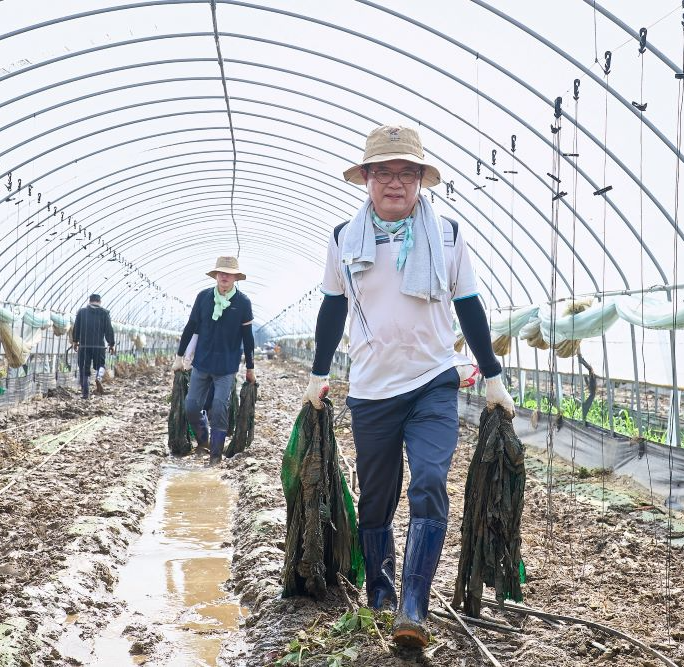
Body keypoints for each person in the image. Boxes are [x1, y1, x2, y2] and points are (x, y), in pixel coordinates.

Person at [304, 125, 515, 649]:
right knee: (376, 501)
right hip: (371, 391)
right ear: (366, 180)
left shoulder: (447, 235)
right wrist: (317, 373)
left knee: (428, 483)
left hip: (432, 384)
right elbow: (332, 307)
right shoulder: (343, 239)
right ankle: (380, 591)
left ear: (421, 180)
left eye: (406, 173)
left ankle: (413, 606)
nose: (394, 182)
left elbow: (468, 305)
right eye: (383, 172)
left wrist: (494, 377)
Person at [174, 256, 256, 466]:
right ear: (216, 275)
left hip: (227, 366)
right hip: (202, 363)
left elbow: (248, 337)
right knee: (191, 406)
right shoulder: (204, 297)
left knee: (220, 407)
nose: (224, 276)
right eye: (221, 272)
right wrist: (179, 356)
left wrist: (250, 367)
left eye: (228, 273)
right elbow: (191, 326)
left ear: (236, 277)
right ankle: (204, 442)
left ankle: (215, 456)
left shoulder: (243, 303)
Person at [72, 293, 115, 399]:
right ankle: (99, 377)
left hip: (84, 345)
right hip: (99, 346)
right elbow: (109, 329)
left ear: (89, 301)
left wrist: (75, 341)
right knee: (100, 365)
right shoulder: (104, 313)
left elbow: (76, 327)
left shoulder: (82, 312)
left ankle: (85, 393)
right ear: (99, 302)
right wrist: (111, 344)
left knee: (84, 368)